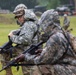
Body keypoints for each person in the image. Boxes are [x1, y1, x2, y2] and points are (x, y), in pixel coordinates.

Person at [15, 9, 76, 75]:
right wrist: (44, 51)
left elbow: (41, 60)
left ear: (48, 24)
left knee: (39, 68)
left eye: (44, 25)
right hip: (71, 67)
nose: (43, 29)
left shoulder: (55, 38)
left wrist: (25, 57)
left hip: (70, 70)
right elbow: (61, 52)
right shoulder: (61, 33)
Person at [1, 3, 38, 75]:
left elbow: (25, 40)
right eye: (17, 17)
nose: (18, 19)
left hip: (28, 50)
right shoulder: (28, 23)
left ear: (25, 15)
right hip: (26, 49)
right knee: (4, 52)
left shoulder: (28, 24)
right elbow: (24, 32)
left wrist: (12, 37)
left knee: (28, 72)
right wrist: (15, 32)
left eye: (20, 17)